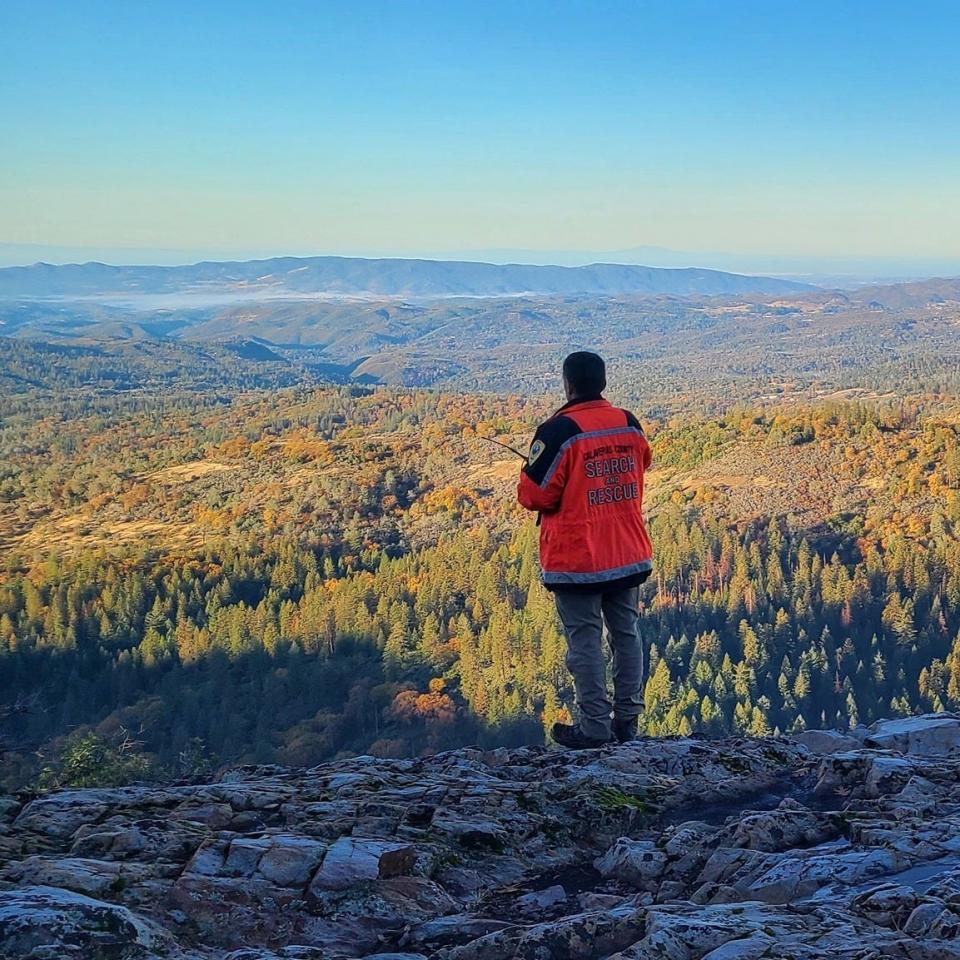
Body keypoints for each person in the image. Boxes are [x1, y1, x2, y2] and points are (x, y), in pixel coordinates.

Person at [517, 351, 653, 748]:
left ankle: (594, 728)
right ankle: (627, 722)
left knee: (586, 641)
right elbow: (640, 464)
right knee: (627, 634)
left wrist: (529, 473)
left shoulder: (557, 431)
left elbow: (535, 496)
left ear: (568, 384)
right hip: (627, 550)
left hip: (578, 558)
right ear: (603, 383)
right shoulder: (629, 423)